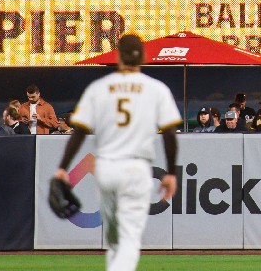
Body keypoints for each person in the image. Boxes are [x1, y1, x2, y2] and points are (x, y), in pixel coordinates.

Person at [54, 34, 180, 271]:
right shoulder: (156, 89)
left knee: (114, 241)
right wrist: (171, 172)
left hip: (107, 169)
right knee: (128, 241)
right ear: (143, 57)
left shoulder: (98, 88)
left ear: (118, 55)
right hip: (136, 169)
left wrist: (62, 168)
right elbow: (171, 134)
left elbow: (79, 132)